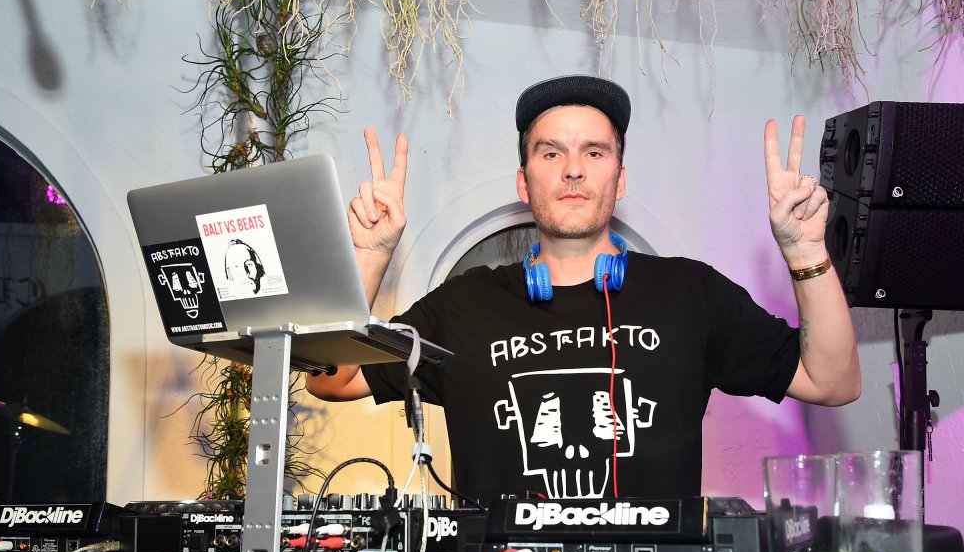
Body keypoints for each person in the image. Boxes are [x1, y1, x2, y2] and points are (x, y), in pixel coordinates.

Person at [307, 75, 860, 504]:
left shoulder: (690, 292)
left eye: (594, 152)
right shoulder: (462, 304)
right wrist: (370, 257)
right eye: (551, 153)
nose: (573, 170)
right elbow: (333, 379)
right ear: (524, 182)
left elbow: (833, 381)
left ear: (620, 179)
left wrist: (806, 252)